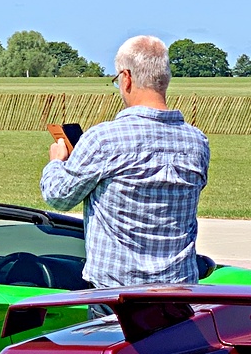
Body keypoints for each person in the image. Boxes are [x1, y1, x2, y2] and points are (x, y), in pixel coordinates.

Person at [40, 35, 209, 290]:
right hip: (178, 289)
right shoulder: (197, 142)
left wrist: (56, 162)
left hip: (117, 294)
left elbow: (58, 196)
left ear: (127, 77)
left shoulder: (104, 139)